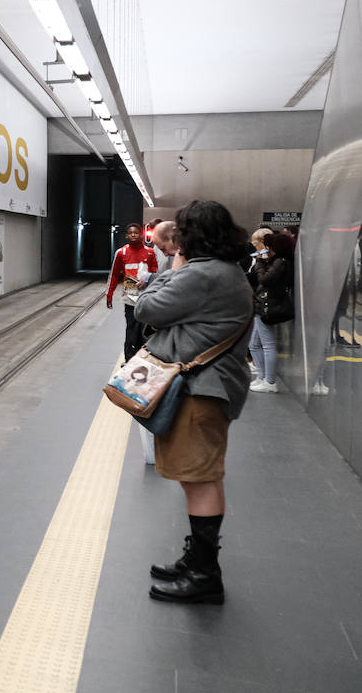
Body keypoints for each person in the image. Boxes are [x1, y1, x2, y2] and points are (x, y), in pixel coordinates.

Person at [134, 200, 253, 605]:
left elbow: (146, 308)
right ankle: (197, 561)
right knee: (201, 477)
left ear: (193, 235)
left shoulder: (202, 274)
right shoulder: (226, 271)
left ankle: (204, 575)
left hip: (200, 390)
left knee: (200, 479)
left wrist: (174, 268)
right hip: (208, 388)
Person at [107, 223, 159, 362]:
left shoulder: (150, 252)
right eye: (131, 233)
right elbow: (114, 274)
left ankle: (142, 358)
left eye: (136, 232)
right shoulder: (121, 252)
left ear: (141, 234)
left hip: (146, 296)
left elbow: (156, 271)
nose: (134, 235)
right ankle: (129, 359)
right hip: (130, 296)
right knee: (131, 328)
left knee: (144, 329)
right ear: (127, 235)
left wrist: (149, 281)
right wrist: (109, 294)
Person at [247, 231, 291, 393]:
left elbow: (264, 279)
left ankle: (270, 381)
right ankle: (263, 376)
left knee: (267, 344)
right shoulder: (277, 261)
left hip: (268, 304)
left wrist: (259, 262)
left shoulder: (280, 262)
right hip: (263, 303)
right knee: (254, 344)